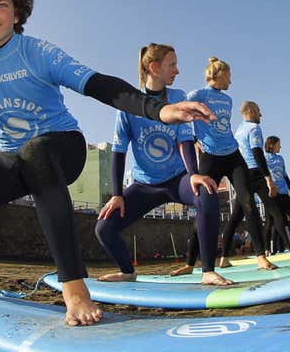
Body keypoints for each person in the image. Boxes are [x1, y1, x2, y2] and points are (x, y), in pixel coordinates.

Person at [0, 0, 214, 326]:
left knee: (36, 151)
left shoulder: (36, 52)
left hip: (63, 148)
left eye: (2, 4)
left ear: (16, 13)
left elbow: (99, 84)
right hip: (15, 161)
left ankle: (75, 286)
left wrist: (158, 111)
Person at [95, 44, 231, 286]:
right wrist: (117, 195)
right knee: (104, 228)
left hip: (177, 180)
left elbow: (185, 139)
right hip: (144, 185)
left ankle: (208, 271)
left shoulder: (178, 98)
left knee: (207, 192)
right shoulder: (128, 105)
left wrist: (193, 175)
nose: (177, 70)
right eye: (172, 65)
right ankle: (127, 271)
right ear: (154, 68)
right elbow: (118, 150)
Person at [171, 58, 278, 274]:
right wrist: (193, 138)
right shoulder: (198, 94)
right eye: (229, 75)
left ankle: (261, 257)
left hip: (232, 155)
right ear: (219, 75)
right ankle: (190, 263)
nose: (231, 80)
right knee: (203, 208)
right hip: (210, 158)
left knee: (248, 202)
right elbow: (180, 110)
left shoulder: (228, 100)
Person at [220, 105, 290, 262]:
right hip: (256, 173)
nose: (261, 114)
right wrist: (268, 179)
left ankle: (224, 257)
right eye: (259, 111)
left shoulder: (239, 129)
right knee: (276, 212)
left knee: (235, 217)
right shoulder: (254, 127)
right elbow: (257, 153)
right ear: (252, 112)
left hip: (242, 174)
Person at [263, 136, 290, 253]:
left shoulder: (280, 158)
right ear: (272, 145)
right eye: (279, 144)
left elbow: (285, 175)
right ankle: (267, 249)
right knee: (271, 222)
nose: (280, 146)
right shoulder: (263, 159)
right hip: (272, 195)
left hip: (284, 194)